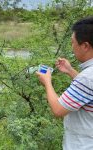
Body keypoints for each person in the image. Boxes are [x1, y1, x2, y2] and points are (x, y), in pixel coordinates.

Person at [36, 16, 93, 150]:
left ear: (85, 46)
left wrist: (47, 82)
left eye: (73, 42)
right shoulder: (87, 76)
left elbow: (58, 109)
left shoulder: (86, 78)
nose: (72, 47)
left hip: (83, 144)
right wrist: (70, 71)